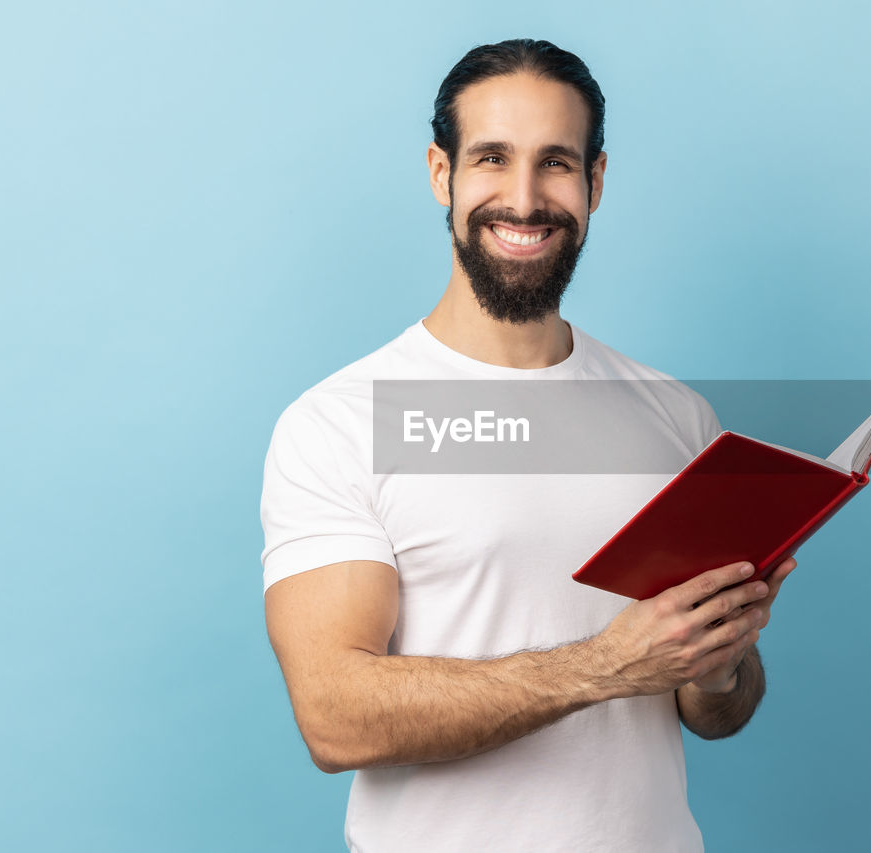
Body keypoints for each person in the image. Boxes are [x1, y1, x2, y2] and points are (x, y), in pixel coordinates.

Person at [260, 38, 798, 853]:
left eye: (554, 162)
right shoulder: (341, 422)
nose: (522, 198)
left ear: (596, 183)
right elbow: (335, 715)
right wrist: (606, 666)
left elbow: (716, 712)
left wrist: (717, 659)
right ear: (442, 174)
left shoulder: (677, 417)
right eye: (491, 159)